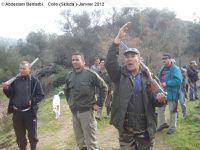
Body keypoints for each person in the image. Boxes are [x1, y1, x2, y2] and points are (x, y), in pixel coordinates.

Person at [105, 22, 166, 150]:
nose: (129, 59)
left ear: (139, 60)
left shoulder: (150, 78)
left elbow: (158, 102)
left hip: (145, 129)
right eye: (127, 57)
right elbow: (110, 62)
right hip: (126, 129)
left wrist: (160, 100)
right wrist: (117, 40)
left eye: (133, 56)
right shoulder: (119, 75)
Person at [64, 52, 108, 150]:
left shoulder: (91, 74)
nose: (74, 61)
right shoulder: (69, 76)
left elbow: (104, 88)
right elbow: (66, 91)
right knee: (80, 142)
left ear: (83, 62)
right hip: (75, 113)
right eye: (73, 60)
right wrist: (70, 103)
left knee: (91, 143)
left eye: (77, 59)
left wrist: (98, 104)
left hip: (87, 112)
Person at [2, 61, 44, 150]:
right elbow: (10, 95)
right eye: (20, 68)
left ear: (29, 69)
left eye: (24, 68)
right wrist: (6, 89)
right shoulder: (15, 80)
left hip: (30, 112)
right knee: (20, 137)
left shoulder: (34, 81)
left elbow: (40, 95)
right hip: (17, 113)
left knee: (32, 136)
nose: (22, 70)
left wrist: (32, 101)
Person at [157, 54, 182, 134]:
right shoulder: (162, 68)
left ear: (170, 59)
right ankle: (162, 124)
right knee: (160, 109)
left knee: (172, 111)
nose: (164, 60)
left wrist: (167, 83)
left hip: (173, 94)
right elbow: (159, 77)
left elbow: (178, 81)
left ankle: (172, 127)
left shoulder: (175, 69)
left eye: (166, 58)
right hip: (163, 92)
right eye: (162, 59)